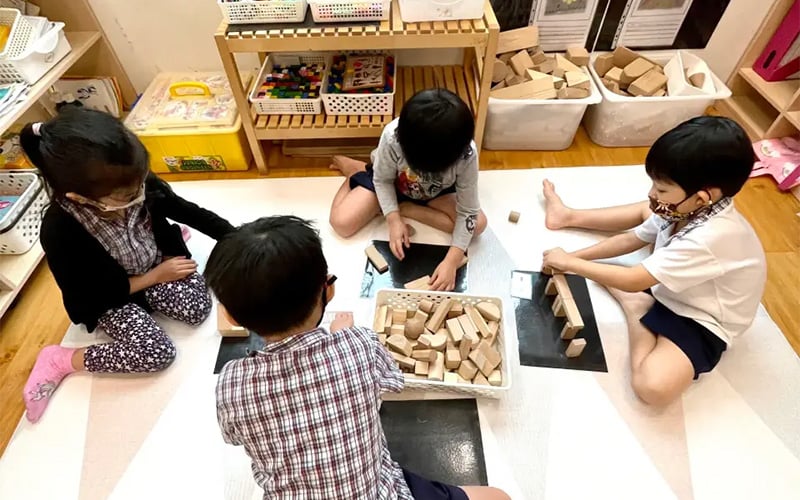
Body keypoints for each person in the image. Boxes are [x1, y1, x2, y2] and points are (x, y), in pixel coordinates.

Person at [205, 216, 509, 500]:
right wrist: (344, 336)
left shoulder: (230, 385)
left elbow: (233, 437)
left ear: (230, 316)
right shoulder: (360, 344)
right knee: (498, 496)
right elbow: (391, 384)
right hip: (380, 490)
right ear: (329, 289)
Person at [20, 108, 234, 423]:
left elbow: (189, 211)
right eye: (128, 196)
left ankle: (152, 270)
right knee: (156, 354)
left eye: (140, 186)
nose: (140, 195)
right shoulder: (59, 228)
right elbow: (88, 298)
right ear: (79, 197)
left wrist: (242, 239)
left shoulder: (133, 180)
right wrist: (156, 277)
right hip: (109, 296)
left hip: (150, 265)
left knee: (198, 309)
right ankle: (62, 360)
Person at [542, 116, 766, 406]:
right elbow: (633, 238)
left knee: (652, 387)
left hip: (701, 318)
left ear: (701, 198)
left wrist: (573, 266)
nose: (652, 194)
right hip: (675, 286)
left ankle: (637, 309)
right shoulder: (682, 208)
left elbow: (635, 280)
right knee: (646, 213)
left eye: (661, 190)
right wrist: (571, 257)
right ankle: (568, 215)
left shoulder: (711, 238)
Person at [329, 89, 487, 291]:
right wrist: (393, 219)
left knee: (479, 225)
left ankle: (408, 208)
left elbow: (468, 212)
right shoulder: (392, 137)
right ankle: (355, 171)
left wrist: (452, 260)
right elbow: (383, 180)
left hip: (436, 192)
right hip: (393, 183)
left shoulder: (467, 154)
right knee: (342, 223)